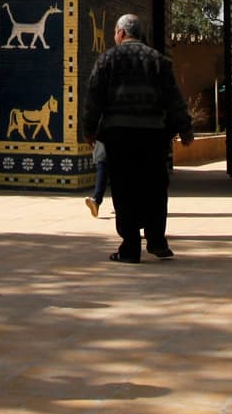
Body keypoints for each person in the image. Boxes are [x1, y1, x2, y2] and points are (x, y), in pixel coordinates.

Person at [82, 13, 193, 264]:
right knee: (155, 186)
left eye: (114, 33)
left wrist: (89, 130)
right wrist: (184, 129)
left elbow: (93, 98)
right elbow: (173, 99)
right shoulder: (158, 61)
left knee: (124, 189)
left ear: (121, 33)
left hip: (118, 135)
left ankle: (130, 247)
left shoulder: (107, 59)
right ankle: (157, 241)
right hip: (153, 134)